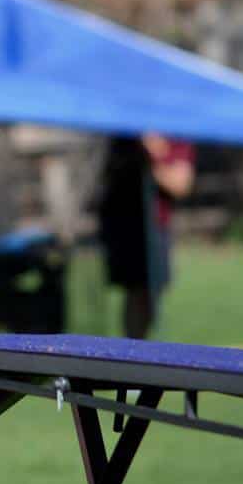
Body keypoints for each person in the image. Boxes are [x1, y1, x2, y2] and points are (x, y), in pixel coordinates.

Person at [98, 133, 195, 339]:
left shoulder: (177, 134)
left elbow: (180, 184)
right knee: (136, 293)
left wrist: (153, 152)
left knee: (149, 293)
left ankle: (136, 349)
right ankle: (132, 351)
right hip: (123, 224)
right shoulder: (124, 135)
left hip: (154, 226)